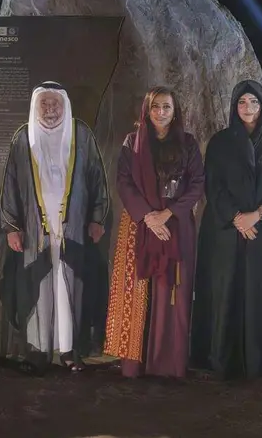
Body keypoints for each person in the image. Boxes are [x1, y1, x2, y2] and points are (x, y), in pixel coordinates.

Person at [0, 82, 109, 375]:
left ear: (65, 105)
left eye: (55, 103)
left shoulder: (80, 134)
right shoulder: (24, 138)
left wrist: (96, 218)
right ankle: (38, 353)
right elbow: (9, 186)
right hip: (35, 233)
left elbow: (97, 178)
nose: (50, 109)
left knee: (72, 290)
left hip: (75, 231)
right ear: (35, 106)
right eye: (44, 104)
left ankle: (72, 352)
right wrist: (11, 227)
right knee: (40, 289)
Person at [190, 80, 262, 380]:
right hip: (226, 231)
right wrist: (237, 217)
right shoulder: (220, 142)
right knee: (226, 291)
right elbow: (214, 186)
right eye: (242, 102)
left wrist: (258, 215)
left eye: (253, 102)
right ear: (234, 106)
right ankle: (221, 358)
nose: (248, 108)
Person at [104, 87, 205, 378]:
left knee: (172, 292)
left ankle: (167, 365)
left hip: (177, 225)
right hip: (140, 226)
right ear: (146, 111)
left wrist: (168, 214)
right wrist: (148, 217)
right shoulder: (132, 142)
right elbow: (124, 182)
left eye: (167, 107)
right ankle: (135, 363)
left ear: (175, 112)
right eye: (155, 107)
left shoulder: (187, 143)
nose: (161, 113)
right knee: (138, 292)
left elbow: (197, 183)